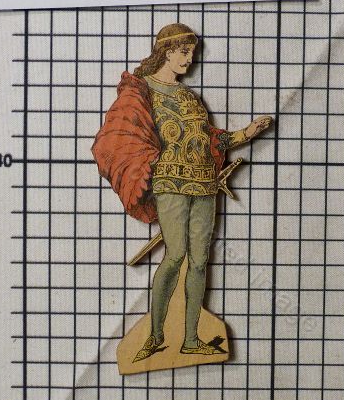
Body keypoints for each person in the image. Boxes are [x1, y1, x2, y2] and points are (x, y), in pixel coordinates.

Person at [92, 23, 271, 361]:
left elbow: (209, 138)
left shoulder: (190, 96)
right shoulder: (141, 91)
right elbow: (119, 135)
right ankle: (156, 337)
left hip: (205, 183)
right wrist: (153, 162)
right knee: (175, 256)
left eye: (193, 53)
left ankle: (190, 339)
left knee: (200, 261)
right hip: (169, 184)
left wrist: (246, 133)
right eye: (185, 52)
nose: (190, 59)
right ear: (166, 52)